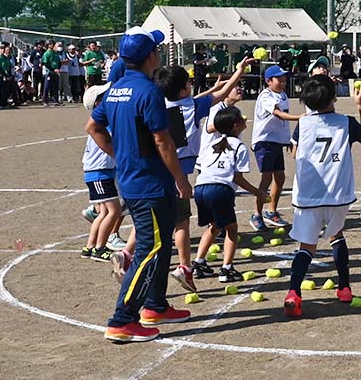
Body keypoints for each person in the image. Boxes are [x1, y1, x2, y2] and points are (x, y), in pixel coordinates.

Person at [86, 26, 193, 344]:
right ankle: (122, 319)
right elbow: (163, 141)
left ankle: (155, 305)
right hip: (150, 183)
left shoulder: (116, 89)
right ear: (151, 56)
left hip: (135, 179)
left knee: (162, 245)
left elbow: (93, 126)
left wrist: (120, 153)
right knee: (149, 248)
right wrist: (180, 178)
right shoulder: (148, 91)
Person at [157, 58, 254, 292]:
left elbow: (211, 95)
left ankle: (130, 252)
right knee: (181, 223)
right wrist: (238, 71)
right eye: (188, 83)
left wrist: (213, 88)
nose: (191, 86)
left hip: (159, 168)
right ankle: (185, 266)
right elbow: (221, 95)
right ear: (182, 90)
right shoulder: (192, 106)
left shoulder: (158, 104)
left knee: (156, 222)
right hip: (178, 171)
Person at [284, 74, 361, 318]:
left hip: (308, 194)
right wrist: (360, 105)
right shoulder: (345, 122)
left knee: (306, 246)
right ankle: (344, 288)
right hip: (337, 193)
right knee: (337, 235)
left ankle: (293, 292)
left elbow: (294, 153)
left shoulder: (303, 124)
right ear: (334, 97)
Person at [192, 106, 268, 283]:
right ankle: (226, 269)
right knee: (232, 229)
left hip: (201, 188)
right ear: (236, 125)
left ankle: (199, 263)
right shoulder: (239, 146)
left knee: (214, 226)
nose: (244, 121)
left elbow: (203, 167)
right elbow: (237, 178)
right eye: (241, 119)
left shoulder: (212, 144)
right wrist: (258, 192)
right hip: (220, 190)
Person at [251, 64, 301, 231]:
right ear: (268, 81)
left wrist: (286, 139)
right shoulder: (266, 96)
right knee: (266, 178)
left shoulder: (284, 95)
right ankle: (256, 214)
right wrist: (300, 117)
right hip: (264, 141)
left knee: (280, 178)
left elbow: (282, 122)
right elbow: (278, 114)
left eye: (284, 78)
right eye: (279, 79)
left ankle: (271, 211)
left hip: (276, 142)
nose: (283, 81)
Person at [80, 82, 122, 263]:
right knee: (114, 211)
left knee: (104, 213)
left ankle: (90, 247)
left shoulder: (103, 122)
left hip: (99, 173)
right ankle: (100, 248)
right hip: (99, 173)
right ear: (98, 104)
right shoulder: (104, 124)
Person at [41, 40, 62, 106]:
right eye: (52, 44)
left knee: (56, 87)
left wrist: (58, 68)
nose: (53, 45)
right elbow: (45, 63)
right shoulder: (47, 53)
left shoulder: (55, 53)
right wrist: (53, 69)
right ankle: (45, 101)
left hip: (56, 72)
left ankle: (56, 100)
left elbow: (59, 62)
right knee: (47, 87)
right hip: (49, 72)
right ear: (48, 45)